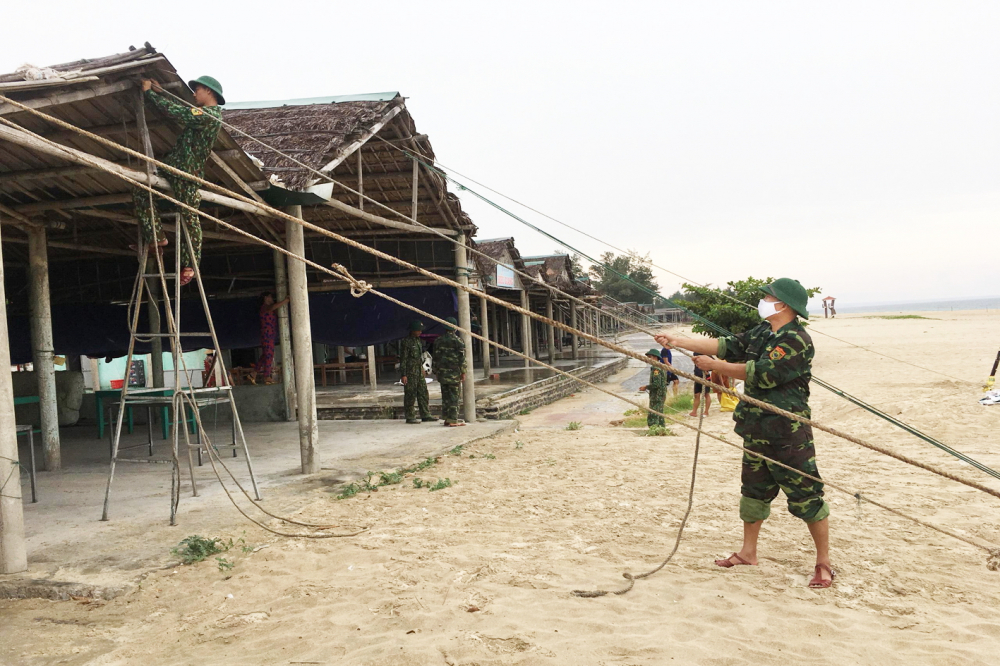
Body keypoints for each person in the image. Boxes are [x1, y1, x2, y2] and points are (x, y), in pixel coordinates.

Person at [655, 278, 833, 589]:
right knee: (753, 492)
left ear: (785, 305)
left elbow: (762, 373)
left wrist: (717, 365)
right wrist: (680, 341)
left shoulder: (796, 340)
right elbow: (728, 345)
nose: (763, 300)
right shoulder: (763, 332)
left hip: (787, 432)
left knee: (806, 497)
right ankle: (748, 553)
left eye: (768, 296)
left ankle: (823, 563)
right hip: (756, 428)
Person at [132, 76, 225, 286]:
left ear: (209, 92)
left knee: (189, 217)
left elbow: (179, 112)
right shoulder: (203, 114)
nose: (194, 94)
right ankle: (157, 237)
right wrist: (159, 92)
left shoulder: (210, 114)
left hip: (187, 172)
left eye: (198, 89)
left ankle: (190, 264)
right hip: (173, 167)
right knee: (140, 191)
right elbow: (182, 110)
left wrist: (149, 93)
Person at [399, 320, 437, 424]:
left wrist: (422, 369)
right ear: (413, 331)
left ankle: (425, 414)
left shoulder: (418, 341)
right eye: (418, 330)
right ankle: (410, 416)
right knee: (410, 394)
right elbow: (403, 359)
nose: (420, 332)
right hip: (410, 372)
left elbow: (419, 357)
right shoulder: (406, 342)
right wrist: (403, 374)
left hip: (419, 371)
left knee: (423, 393)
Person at [249, 291, 288, 385]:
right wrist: (286, 300)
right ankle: (267, 376)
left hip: (270, 334)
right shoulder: (265, 307)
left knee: (265, 355)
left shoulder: (268, 308)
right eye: (270, 297)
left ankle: (253, 373)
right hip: (267, 335)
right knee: (269, 355)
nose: (271, 299)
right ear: (266, 298)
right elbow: (273, 307)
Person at [433, 317, 466, 427]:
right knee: (454, 397)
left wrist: (436, 371)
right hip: (454, 374)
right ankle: (452, 420)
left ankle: (447, 418)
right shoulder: (458, 341)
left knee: (445, 397)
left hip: (442, 373)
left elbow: (435, 357)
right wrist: (463, 372)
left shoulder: (438, 341)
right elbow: (462, 359)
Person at [638, 348, 667, 427]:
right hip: (661, 394)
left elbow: (656, 384)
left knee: (654, 413)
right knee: (659, 412)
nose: (648, 359)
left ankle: (654, 427)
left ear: (654, 357)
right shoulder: (661, 367)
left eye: (649, 357)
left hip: (657, 395)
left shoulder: (656, 369)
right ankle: (661, 427)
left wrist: (646, 387)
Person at [689, 353, 712, 417]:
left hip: (705, 377)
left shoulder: (706, 352)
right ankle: (694, 412)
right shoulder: (695, 352)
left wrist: (708, 369)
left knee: (706, 394)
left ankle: (706, 412)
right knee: (696, 394)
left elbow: (713, 362)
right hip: (697, 376)